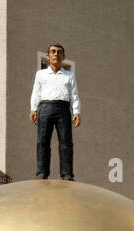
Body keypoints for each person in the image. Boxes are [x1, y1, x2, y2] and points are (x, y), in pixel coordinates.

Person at [30, 43, 81, 180]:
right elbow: (36, 92)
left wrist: (76, 112)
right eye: (53, 52)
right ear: (48, 56)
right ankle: (42, 172)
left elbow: (74, 94)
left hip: (63, 108)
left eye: (59, 52)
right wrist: (33, 109)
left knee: (65, 142)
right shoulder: (40, 74)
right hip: (45, 107)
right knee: (42, 141)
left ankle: (67, 173)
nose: (56, 55)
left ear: (63, 56)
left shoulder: (69, 75)